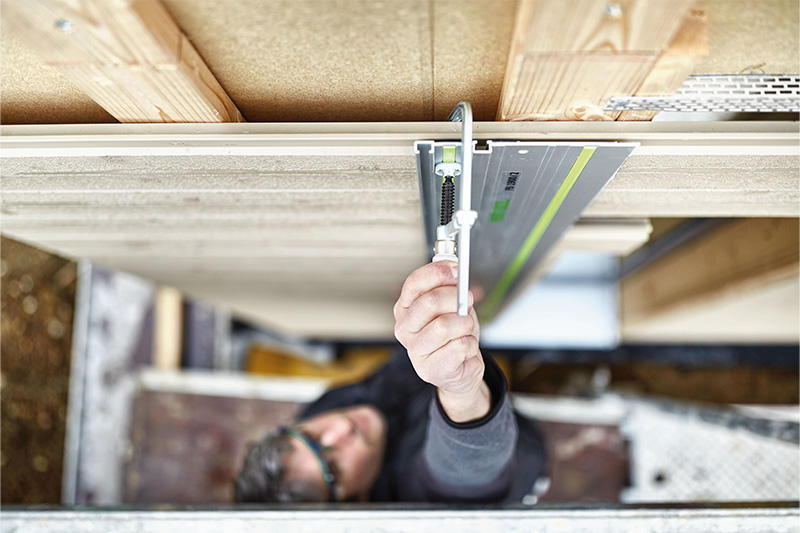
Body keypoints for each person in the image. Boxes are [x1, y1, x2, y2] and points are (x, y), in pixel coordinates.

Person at [234, 261, 546, 503]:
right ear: (357, 502)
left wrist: (419, 322)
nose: (342, 429)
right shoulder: (416, 497)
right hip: (516, 446)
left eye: (309, 436)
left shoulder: (323, 411)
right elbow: (465, 468)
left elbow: (391, 380)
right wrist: (460, 389)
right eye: (333, 468)